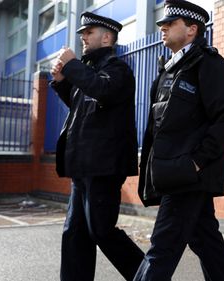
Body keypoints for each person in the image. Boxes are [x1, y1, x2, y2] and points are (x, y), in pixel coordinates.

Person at [134, 1, 224, 280]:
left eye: (171, 23)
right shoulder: (169, 69)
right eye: (162, 24)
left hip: (188, 174)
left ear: (192, 30)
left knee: (162, 247)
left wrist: (196, 161)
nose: (163, 27)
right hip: (174, 171)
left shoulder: (209, 65)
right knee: (206, 240)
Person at [50, 12, 144, 281]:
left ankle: (148, 275)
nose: (83, 36)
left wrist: (71, 66)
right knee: (74, 232)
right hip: (82, 167)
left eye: (88, 32)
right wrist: (61, 85)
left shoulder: (118, 70)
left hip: (104, 167)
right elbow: (84, 107)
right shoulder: (89, 73)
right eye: (83, 33)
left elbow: (103, 91)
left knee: (100, 230)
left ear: (106, 37)